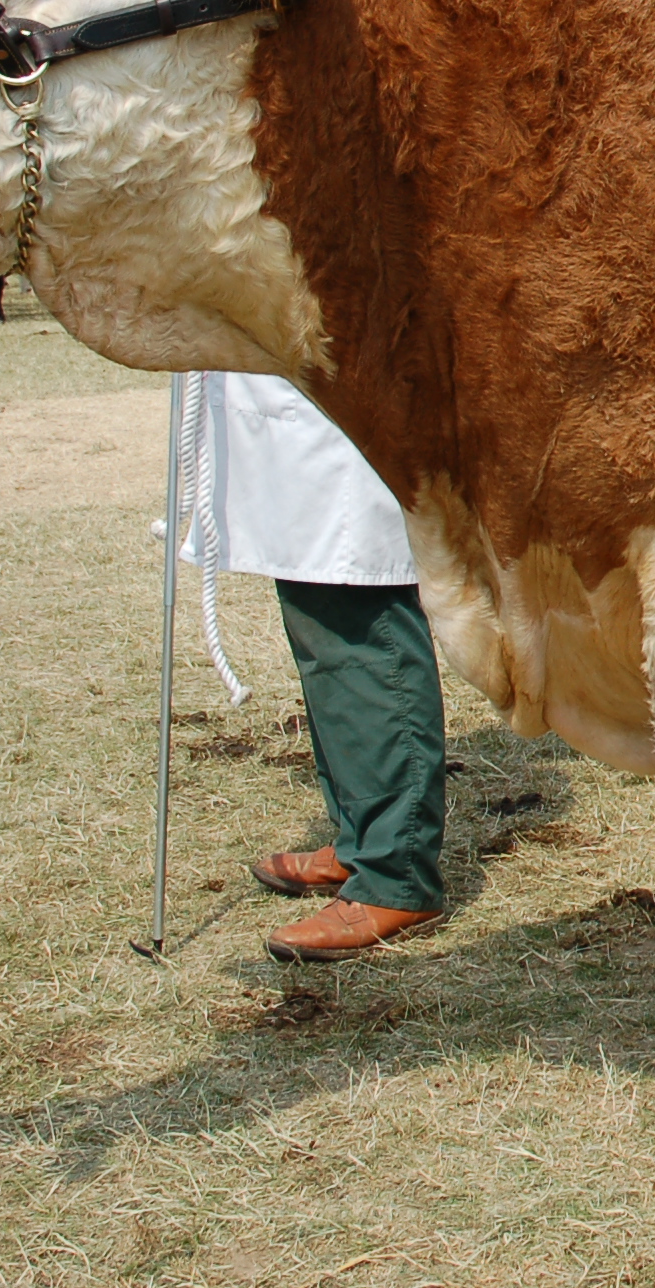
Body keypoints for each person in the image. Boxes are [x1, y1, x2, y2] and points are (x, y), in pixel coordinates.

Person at [178, 372, 450, 960]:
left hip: (336, 388)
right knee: (314, 597)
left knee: (353, 604)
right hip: (282, 379)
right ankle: (362, 839)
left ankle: (395, 871)